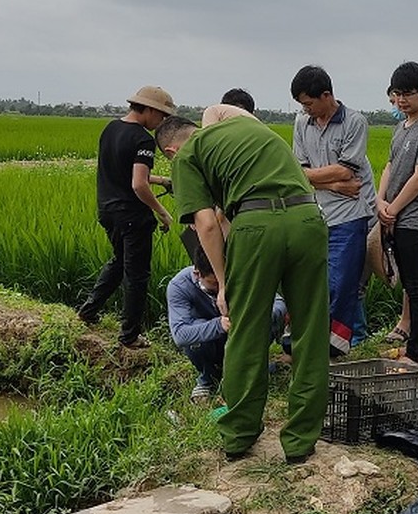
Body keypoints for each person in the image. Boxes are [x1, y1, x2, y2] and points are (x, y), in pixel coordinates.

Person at [157, 109, 329, 464]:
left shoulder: (186, 157)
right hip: (309, 219)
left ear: (170, 152)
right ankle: (300, 442)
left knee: (246, 329)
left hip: (256, 227)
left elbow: (206, 225)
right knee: (311, 331)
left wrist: (224, 283)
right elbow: (223, 112)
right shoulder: (247, 127)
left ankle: (238, 435)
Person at [76, 85, 175, 348]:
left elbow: (125, 172)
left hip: (107, 211)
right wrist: (162, 211)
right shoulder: (143, 139)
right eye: (162, 116)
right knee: (137, 275)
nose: (162, 122)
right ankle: (130, 336)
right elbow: (138, 185)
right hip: (132, 217)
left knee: (120, 262)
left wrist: (163, 180)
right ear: (150, 110)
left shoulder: (110, 128)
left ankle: (88, 310)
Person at [290, 65, 376, 357]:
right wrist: (335, 186)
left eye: (309, 103)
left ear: (326, 95)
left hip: (349, 217)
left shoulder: (354, 122)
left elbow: (346, 169)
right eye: (303, 105)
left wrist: (316, 177)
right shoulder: (302, 123)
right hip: (315, 214)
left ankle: (336, 347)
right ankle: (304, 341)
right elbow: (297, 172)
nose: (307, 110)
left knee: (342, 284)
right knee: (311, 282)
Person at [375, 62, 418, 364]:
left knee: (417, 288)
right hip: (394, 216)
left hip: (415, 220)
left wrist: (393, 209)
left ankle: (415, 352)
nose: (401, 100)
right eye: (396, 94)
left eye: (408, 94)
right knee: (407, 283)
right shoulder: (399, 128)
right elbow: (389, 167)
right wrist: (380, 201)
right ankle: (410, 347)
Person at [167, 251, 288, 403]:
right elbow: (180, 334)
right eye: (214, 283)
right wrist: (219, 324)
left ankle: (249, 370)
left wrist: (255, 317)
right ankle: (209, 378)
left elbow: (278, 303)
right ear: (197, 274)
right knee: (195, 332)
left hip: (243, 334)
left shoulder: (238, 275)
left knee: (272, 313)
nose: (220, 288)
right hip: (212, 340)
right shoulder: (180, 286)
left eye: (223, 281)